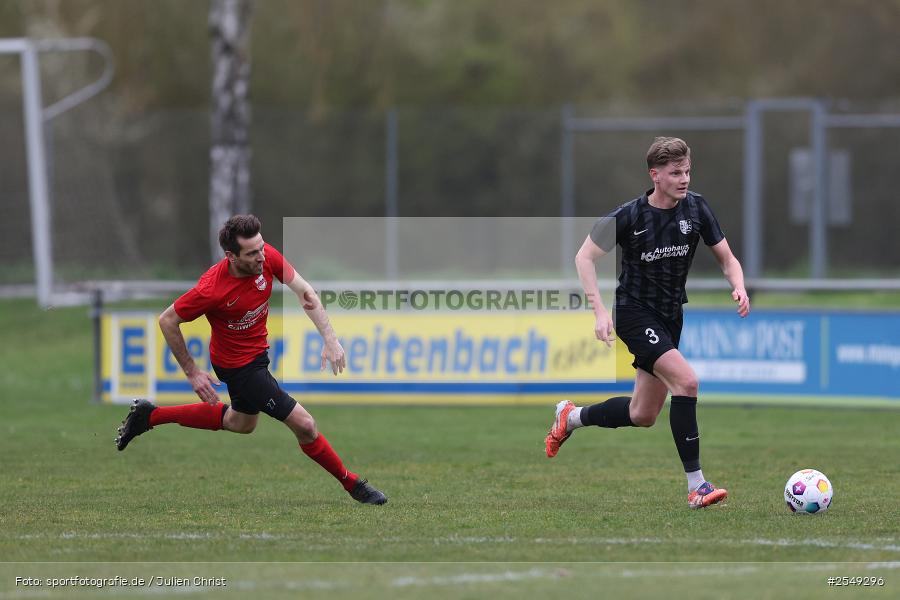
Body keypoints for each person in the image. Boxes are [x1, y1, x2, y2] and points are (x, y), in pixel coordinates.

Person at [115, 214, 387, 505]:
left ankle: (150, 416)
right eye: (252, 252)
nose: (261, 255)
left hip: (257, 357)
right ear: (231, 256)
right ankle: (352, 483)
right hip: (238, 367)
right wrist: (192, 371)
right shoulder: (211, 289)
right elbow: (168, 320)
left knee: (241, 423)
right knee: (305, 425)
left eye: (261, 247)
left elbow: (305, 292)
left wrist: (330, 339)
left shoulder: (266, 256)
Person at [545, 137, 750, 509]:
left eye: (687, 171)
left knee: (643, 414)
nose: (684, 179)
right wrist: (599, 311)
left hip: (671, 317)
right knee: (686, 382)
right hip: (635, 314)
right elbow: (584, 258)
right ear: (655, 175)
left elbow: (727, 258)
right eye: (675, 173)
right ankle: (697, 486)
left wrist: (738, 285)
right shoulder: (629, 215)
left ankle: (571, 417)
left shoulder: (697, 209)